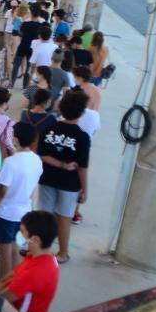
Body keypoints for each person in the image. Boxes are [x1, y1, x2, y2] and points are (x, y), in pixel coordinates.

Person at [37, 90, 91, 263]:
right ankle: (62, 253)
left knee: (45, 215)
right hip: (70, 184)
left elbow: (42, 154)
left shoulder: (50, 128)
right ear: (82, 112)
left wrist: (60, 164)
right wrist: (84, 189)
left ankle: (40, 250)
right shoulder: (82, 137)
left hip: (47, 178)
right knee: (64, 217)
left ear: (61, 107)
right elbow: (82, 168)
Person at [0, 122, 43, 279]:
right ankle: (16, 281)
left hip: (6, 213)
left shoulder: (10, 162)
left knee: (4, 250)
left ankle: (2, 285)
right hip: (24, 212)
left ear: (15, 139)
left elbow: (1, 192)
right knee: (14, 247)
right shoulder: (37, 160)